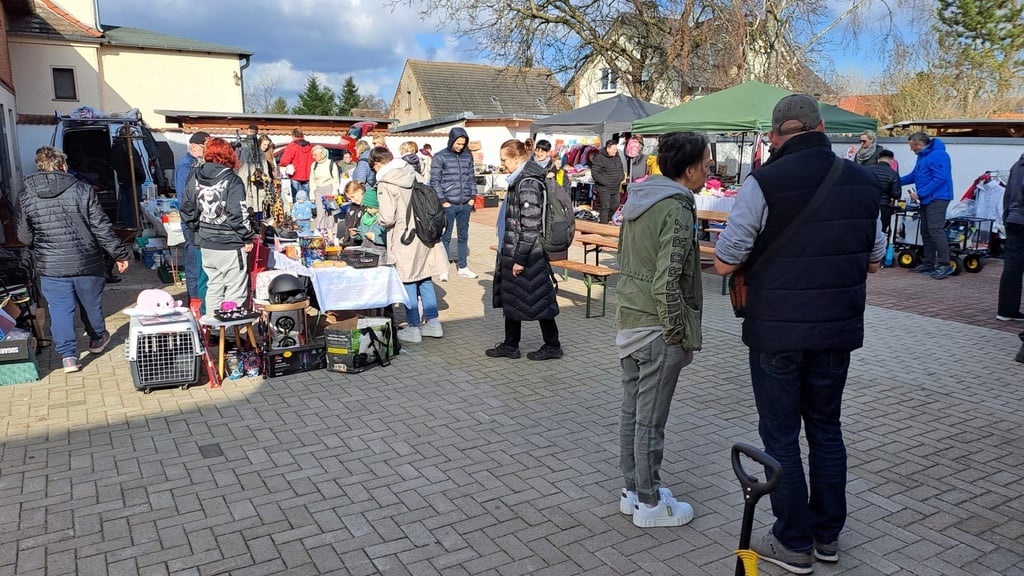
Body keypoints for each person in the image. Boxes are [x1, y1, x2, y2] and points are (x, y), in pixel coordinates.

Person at [714, 94, 886, 574]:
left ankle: (792, 541)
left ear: (774, 136)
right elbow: (875, 259)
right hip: (836, 329)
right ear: (821, 128)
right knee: (826, 429)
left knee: (781, 434)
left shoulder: (763, 181)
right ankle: (827, 536)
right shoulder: (864, 181)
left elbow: (726, 260)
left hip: (777, 331)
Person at [616, 131, 709, 528]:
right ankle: (649, 501)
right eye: (706, 165)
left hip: (630, 318)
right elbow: (667, 279)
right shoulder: (676, 207)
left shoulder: (639, 196)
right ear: (689, 170)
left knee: (634, 413)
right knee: (649, 420)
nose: (709, 172)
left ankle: (635, 490)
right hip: (655, 327)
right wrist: (675, 332)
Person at [16, 146, 131, 373]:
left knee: (60, 309)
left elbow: (24, 236)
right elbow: (101, 227)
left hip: (51, 265)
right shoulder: (82, 189)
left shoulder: (26, 195)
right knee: (91, 304)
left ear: (39, 167)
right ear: (63, 165)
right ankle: (97, 339)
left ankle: (68, 357)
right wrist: (119, 253)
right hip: (86, 261)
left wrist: (41, 245)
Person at [485, 139, 563, 361]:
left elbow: (530, 225)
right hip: (516, 248)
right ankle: (511, 344)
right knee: (514, 297)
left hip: (527, 252)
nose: (502, 164)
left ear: (517, 158)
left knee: (540, 299)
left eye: (504, 159)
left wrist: (520, 258)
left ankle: (553, 345)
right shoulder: (520, 179)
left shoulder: (527, 183)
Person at [374, 146, 447, 342]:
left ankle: (413, 327)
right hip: (424, 232)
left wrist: (377, 220)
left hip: (404, 237)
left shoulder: (385, 182)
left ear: (377, 164)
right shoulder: (412, 172)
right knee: (425, 277)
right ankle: (434, 323)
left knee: (408, 280)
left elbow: (387, 217)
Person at [180, 138, 256, 316]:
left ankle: (213, 326)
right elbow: (238, 214)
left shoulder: (194, 175)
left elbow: (186, 208)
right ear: (228, 155)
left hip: (206, 242)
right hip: (230, 243)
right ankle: (229, 329)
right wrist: (247, 237)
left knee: (214, 286)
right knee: (234, 289)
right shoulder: (232, 180)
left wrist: (198, 228)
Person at [900, 132, 954, 278]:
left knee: (935, 230)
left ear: (920, 144)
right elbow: (915, 175)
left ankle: (945, 264)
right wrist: (896, 180)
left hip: (938, 198)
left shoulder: (938, 155)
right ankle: (928, 263)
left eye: (912, 146)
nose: (911, 149)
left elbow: (940, 178)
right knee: (926, 231)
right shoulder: (922, 156)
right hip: (927, 198)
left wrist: (920, 193)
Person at [430, 127, 479, 280]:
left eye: (463, 144)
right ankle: (443, 268)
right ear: (451, 141)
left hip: (465, 203)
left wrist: (472, 197)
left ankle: (463, 267)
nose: (460, 146)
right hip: (448, 204)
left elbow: (472, 178)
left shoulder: (467, 156)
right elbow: (435, 181)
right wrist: (443, 201)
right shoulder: (439, 157)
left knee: (463, 236)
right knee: (445, 236)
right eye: (458, 143)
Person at [175, 132, 210, 314]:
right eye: (205, 147)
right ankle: (195, 301)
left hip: (197, 220)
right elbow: (185, 197)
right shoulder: (186, 166)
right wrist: (192, 220)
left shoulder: (198, 164)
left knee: (199, 263)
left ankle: (199, 300)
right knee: (194, 263)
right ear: (194, 147)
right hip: (192, 222)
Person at [998, 151, 1024, 321]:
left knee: (1012, 266)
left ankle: (1006, 310)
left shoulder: (1017, 166)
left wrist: (1006, 217)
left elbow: (1007, 195)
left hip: (1013, 219)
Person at [591, 139, 626, 223]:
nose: (615, 151)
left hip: (615, 187)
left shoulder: (617, 156)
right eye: (613, 149)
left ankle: (608, 220)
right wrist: (605, 182)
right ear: (608, 148)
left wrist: (622, 177)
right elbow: (595, 173)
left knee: (615, 205)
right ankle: (603, 225)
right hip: (604, 188)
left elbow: (620, 167)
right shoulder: (600, 158)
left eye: (616, 149)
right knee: (605, 207)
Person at [544, 154, 571, 262]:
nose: (559, 165)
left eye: (560, 163)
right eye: (557, 163)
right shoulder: (550, 173)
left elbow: (566, 186)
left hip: (562, 199)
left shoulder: (563, 173)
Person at [868, 149, 901, 236]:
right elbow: (897, 194)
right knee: (880, 232)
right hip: (884, 206)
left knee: (866, 231)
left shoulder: (868, 170)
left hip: (867, 204)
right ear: (891, 161)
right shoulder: (893, 174)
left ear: (878, 159)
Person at [278, 128, 313, 202]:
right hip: (308, 175)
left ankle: (297, 209)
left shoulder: (292, 146)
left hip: (295, 175)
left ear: (293, 136)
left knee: (296, 197)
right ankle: (307, 209)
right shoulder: (310, 146)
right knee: (306, 197)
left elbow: (284, 161)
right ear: (302, 135)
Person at [309, 145, 339, 231]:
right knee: (320, 213)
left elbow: (336, 180)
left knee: (331, 213)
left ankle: (332, 231)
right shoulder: (314, 165)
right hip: (318, 190)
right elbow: (312, 180)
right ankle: (321, 230)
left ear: (321, 154)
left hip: (329, 189)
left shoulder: (331, 164)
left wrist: (335, 192)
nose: (313, 157)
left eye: (315, 155)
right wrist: (312, 194)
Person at [339, 181, 367, 246]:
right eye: (350, 199)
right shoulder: (351, 207)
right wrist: (345, 239)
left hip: (362, 243)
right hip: (349, 243)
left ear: (359, 191)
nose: (352, 200)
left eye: (353, 197)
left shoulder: (368, 208)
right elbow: (347, 225)